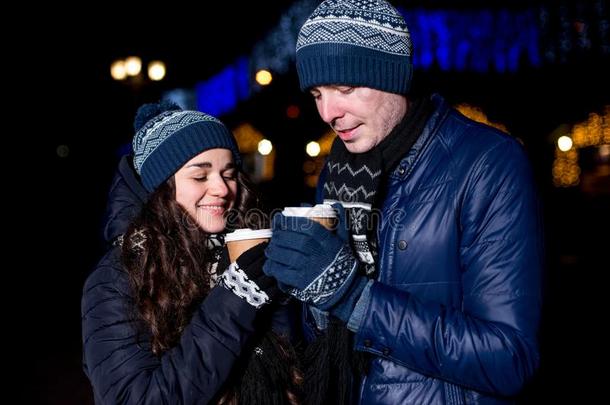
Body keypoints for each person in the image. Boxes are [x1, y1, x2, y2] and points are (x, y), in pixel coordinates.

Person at [263, 0, 543, 403]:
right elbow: (326, 337)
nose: (328, 112)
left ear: (391, 76)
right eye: (317, 94)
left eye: (346, 88)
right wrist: (305, 291)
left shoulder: (487, 163)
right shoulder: (336, 173)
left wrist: (352, 295)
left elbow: (509, 359)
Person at [82, 101, 301, 404]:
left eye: (229, 173)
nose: (223, 189)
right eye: (200, 176)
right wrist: (236, 298)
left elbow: (296, 369)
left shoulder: (244, 250)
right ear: (160, 188)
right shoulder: (117, 279)